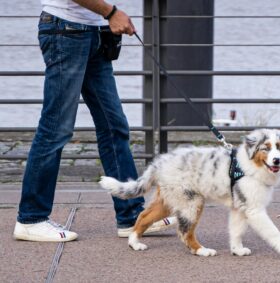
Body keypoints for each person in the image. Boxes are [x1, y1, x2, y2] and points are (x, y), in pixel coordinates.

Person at [13, 0, 176, 242]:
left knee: (114, 127)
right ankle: (31, 218)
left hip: (95, 31)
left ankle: (131, 217)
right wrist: (111, 13)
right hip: (66, 31)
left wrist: (107, 17)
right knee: (55, 129)